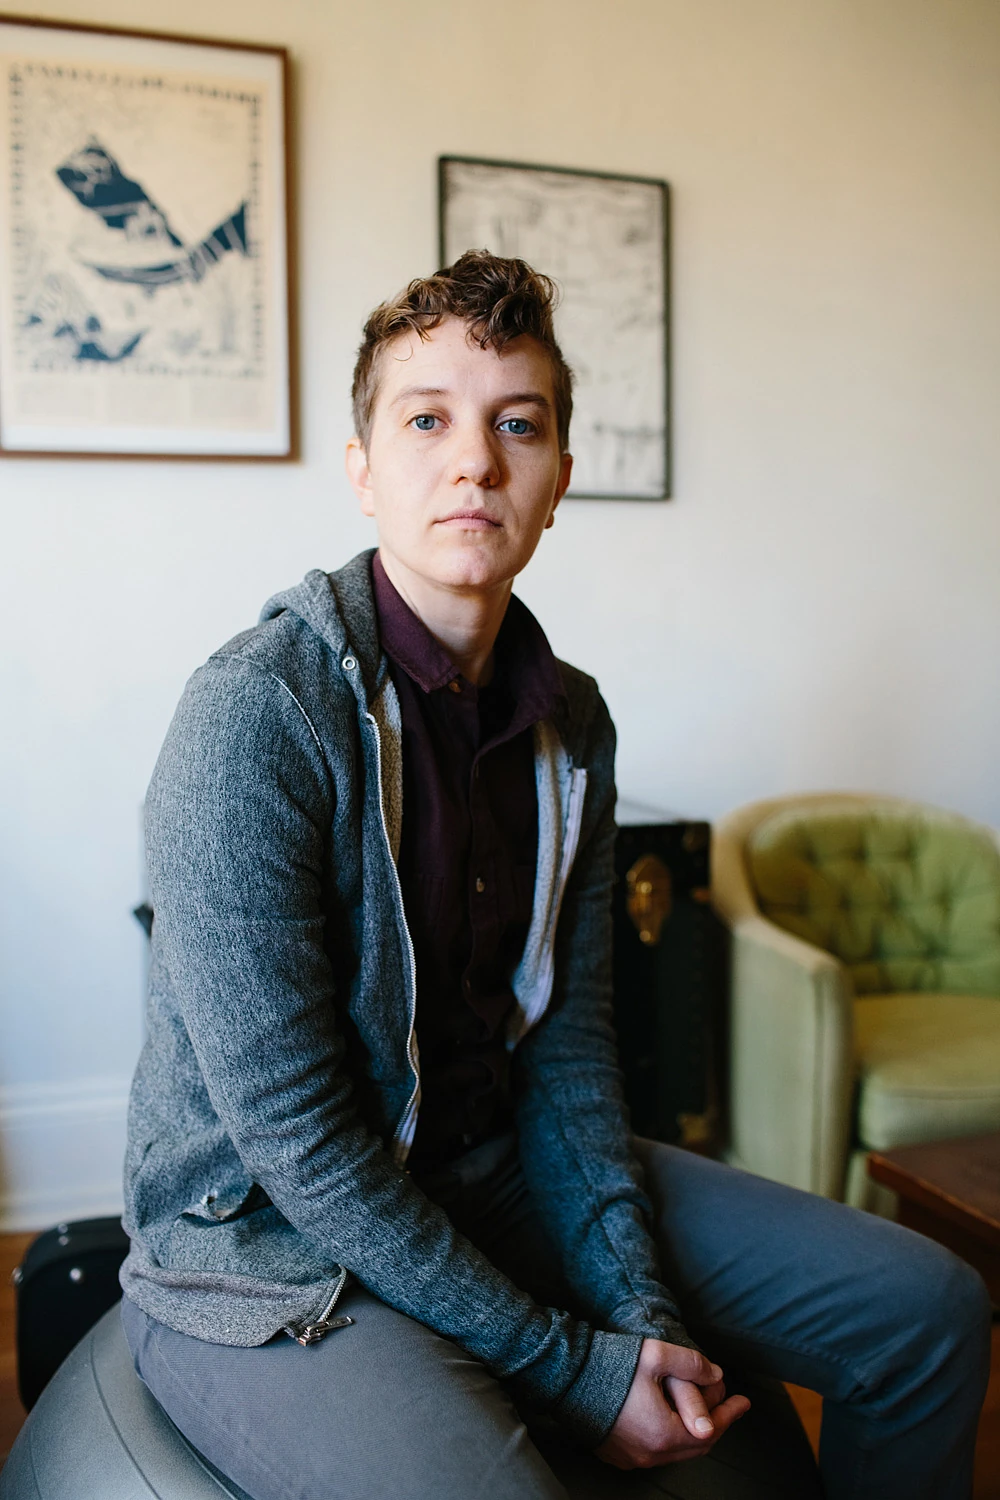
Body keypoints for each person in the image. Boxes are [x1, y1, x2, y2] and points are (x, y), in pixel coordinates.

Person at [120, 250, 991, 1500]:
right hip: (263, 1240)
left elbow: (570, 1055)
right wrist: (572, 1368)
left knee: (929, 1310)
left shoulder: (569, 725)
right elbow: (299, 1141)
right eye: (427, 420)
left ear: (559, 479)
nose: (475, 461)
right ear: (362, 471)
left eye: (516, 425)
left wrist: (639, 1315)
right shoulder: (254, 715)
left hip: (488, 1174)